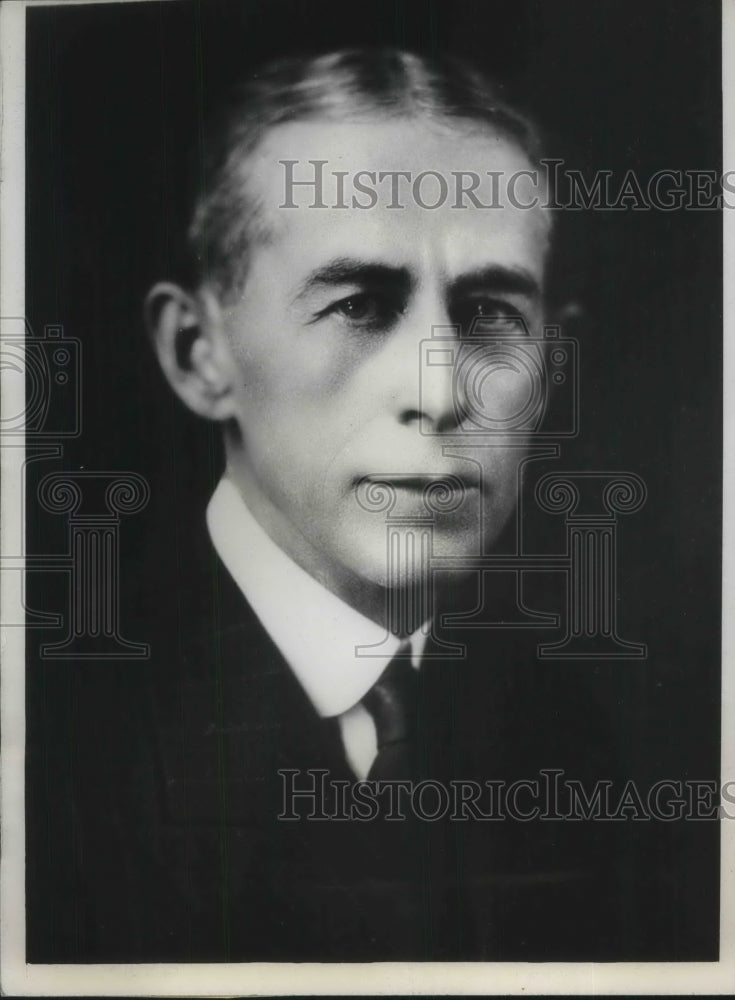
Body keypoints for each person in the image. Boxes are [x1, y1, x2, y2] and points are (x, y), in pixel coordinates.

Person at [25, 47, 678, 964]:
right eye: (361, 304)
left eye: (489, 312)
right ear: (197, 353)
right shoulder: (53, 740)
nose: (443, 392)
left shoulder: (570, 743)